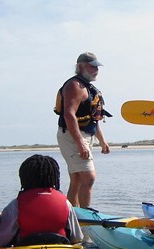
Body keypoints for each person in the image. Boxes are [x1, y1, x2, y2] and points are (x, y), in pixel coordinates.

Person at [54, 51, 111, 208]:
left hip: (85, 135)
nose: (96, 70)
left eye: (97, 67)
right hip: (73, 136)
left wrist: (102, 141)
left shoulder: (90, 89)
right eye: (92, 67)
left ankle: (73, 217)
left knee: (78, 179)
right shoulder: (74, 85)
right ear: (80, 67)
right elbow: (69, 114)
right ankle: (86, 219)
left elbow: (93, 118)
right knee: (89, 177)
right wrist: (80, 142)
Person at [0, 154, 84, 247]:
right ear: (54, 177)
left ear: (24, 178)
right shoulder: (65, 203)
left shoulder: (16, 204)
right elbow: (77, 238)